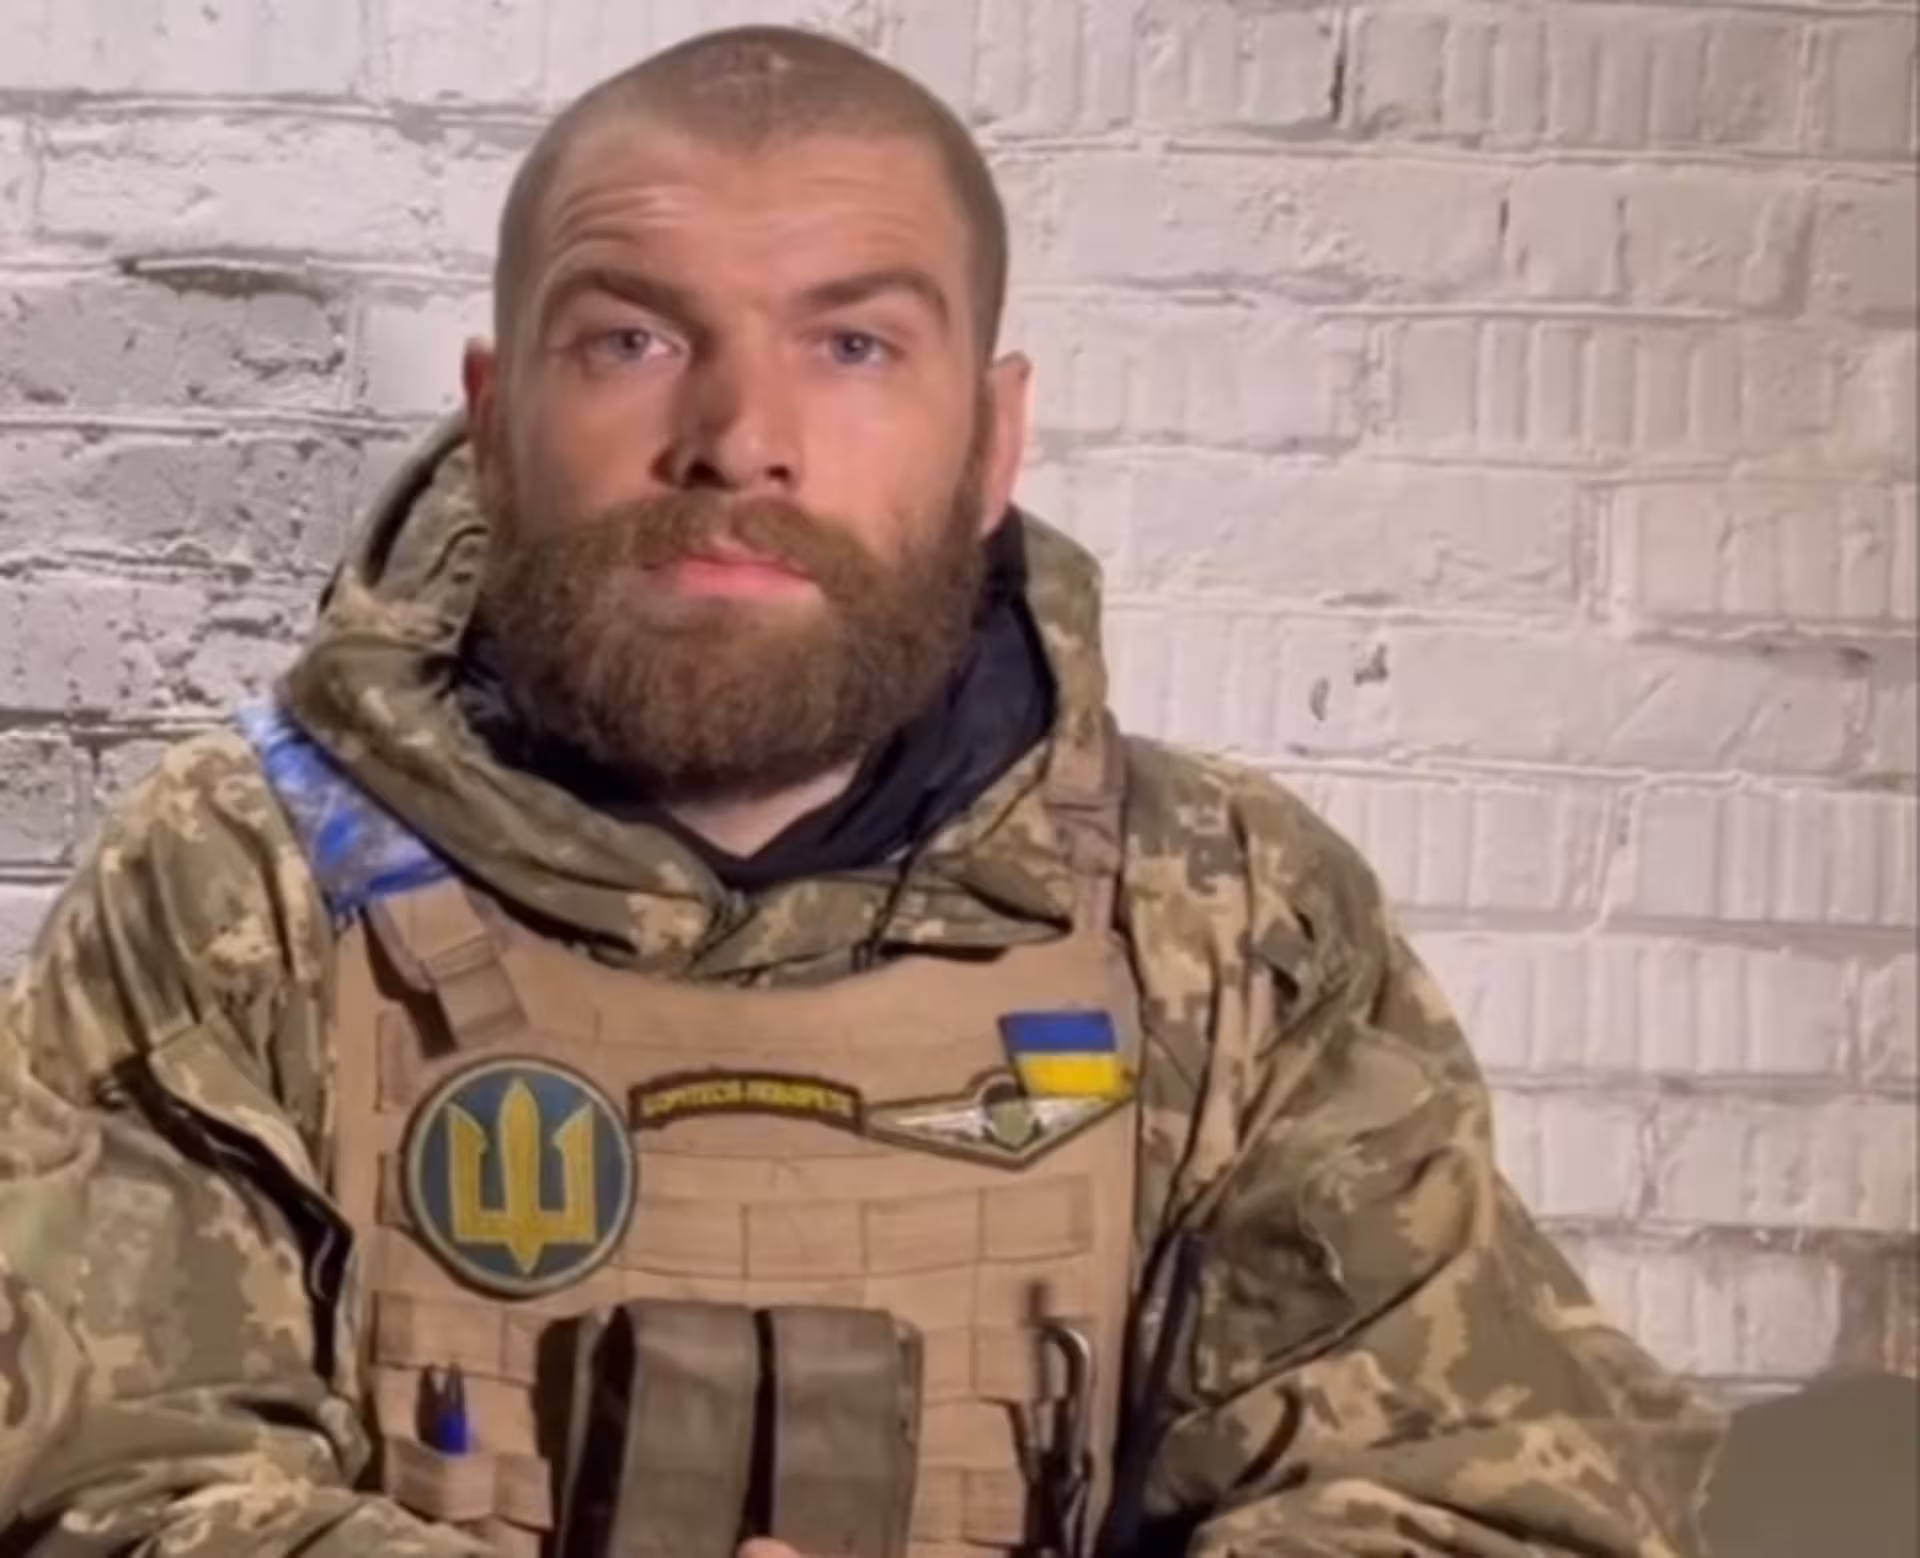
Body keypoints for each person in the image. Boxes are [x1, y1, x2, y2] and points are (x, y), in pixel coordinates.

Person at [0, 25, 1725, 1558]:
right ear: (498, 412)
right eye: (629, 338)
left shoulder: (1229, 920)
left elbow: (1487, 1494)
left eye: (852, 346)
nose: (740, 435)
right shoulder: (239, 891)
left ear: (993, 439)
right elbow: (94, 1486)